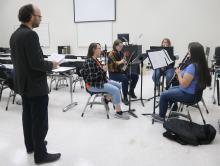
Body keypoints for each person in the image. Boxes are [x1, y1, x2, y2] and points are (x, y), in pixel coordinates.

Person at [9, 4, 61, 164]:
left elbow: (19, 62)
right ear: (31, 16)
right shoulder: (31, 35)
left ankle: (31, 146)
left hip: (23, 86)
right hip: (35, 87)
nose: (40, 19)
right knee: (40, 122)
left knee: (28, 118)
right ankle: (40, 155)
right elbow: (36, 63)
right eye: (39, 16)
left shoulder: (15, 35)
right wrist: (52, 65)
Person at [153, 42, 211, 122]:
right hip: (195, 94)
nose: (188, 53)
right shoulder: (202, 64)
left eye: (189, 51)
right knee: (170, 89)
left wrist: (179, 73)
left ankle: (161, 117)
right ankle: (173, 111)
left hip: (189, 95)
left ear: (194, 53)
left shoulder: (192, 66)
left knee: (163, 94)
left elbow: (184, 84)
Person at [81, 43, 130, 120]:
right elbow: (92, 78)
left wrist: (103, 71)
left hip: (100, 81)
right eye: (99, 48)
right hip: (93, 85)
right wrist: (103, 70)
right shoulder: (89, 61)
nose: (101, 50)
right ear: (94, 50)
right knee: (116, 90)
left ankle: (106, 99)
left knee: (119, 85)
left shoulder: (95, 59)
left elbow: (99, 73)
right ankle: (118, 113)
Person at [108, 40, 139, 105]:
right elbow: (112, 65)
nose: (121, 47)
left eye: (122, 46)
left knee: (135, 76)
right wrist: (121, 62)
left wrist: (125, 64)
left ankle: (131, 91)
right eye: (119, 46)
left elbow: (123, 65)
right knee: (125, 79)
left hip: (121, 72)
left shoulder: (121, 53)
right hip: (113, 74)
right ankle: (125, 97)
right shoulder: (111, 54)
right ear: (115, 46)